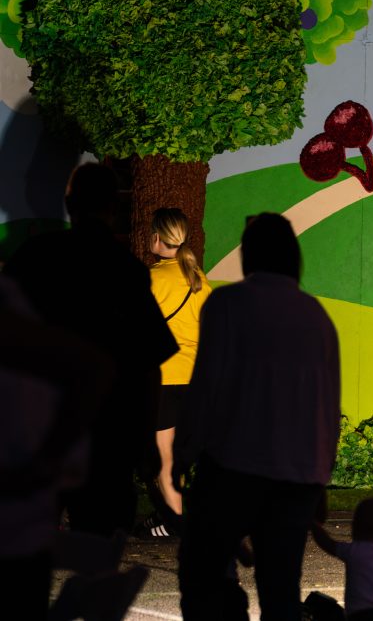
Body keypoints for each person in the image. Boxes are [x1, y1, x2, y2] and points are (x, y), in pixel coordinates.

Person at [174, 213, 341, 620]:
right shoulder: (316, 317)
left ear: (249, 255)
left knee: (204, 577)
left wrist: (182, 455)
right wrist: (320, 481)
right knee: (280, 588)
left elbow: (206, 386)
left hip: (232, 468)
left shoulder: (227, 304)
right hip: (296, 477)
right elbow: (326, 406)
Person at [4, 162, 177, 537]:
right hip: (107, 431)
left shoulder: (35, 256)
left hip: (38, 427)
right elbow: (150, 363)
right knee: (98, 556)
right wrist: (147, 442)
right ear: (113, 206)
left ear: (69, 203)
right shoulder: (127, 270)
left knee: (23, 551)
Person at [140, 208, 212, 538]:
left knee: (163, 460)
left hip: (163, 379)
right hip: (194, 380)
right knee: (178, 458)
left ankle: (177, 523)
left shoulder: (151, 279)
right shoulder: (199, 280)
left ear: (156, 237)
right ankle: (172, 516)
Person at [309, 498, 373, 621]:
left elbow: (327, 543)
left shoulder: (352, 551)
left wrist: (314, 525)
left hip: (358, 616)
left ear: (353, 527)